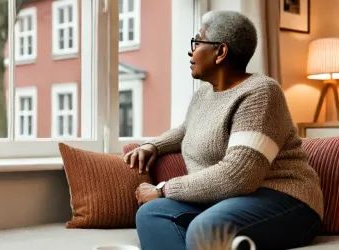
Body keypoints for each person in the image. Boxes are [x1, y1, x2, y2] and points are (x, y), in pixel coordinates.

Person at [123, 10, 324, 250]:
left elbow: (239, 177)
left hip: (285, 199)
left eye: (197, 42)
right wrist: (153, 145)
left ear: (221, 52)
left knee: (207, 228)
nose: (191, 50)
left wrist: (163, 189)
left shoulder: (261, 93)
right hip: (224, 200)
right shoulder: (203, 96)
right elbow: (186, 130)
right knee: (152, 214)